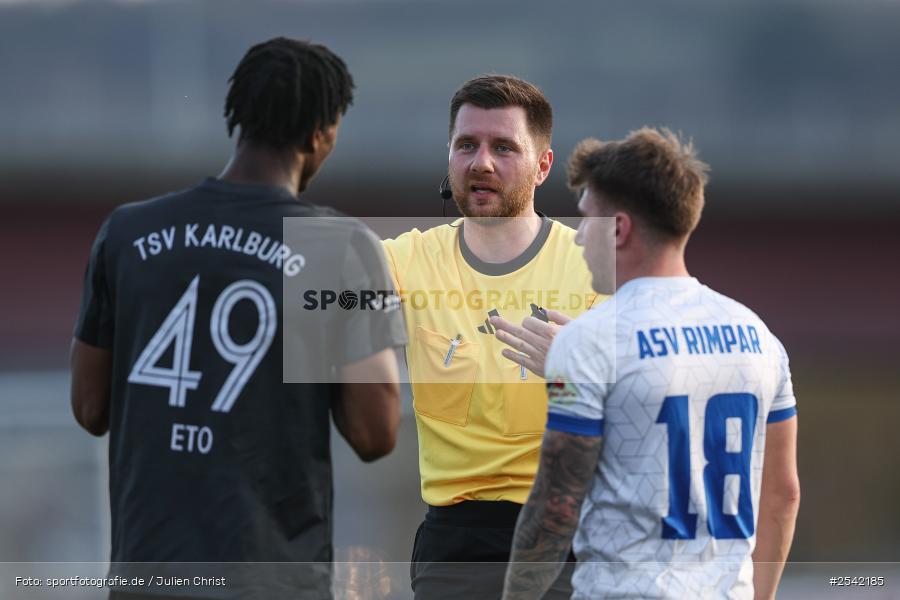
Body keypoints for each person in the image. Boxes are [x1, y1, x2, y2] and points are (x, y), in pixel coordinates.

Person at [70, 37, 406, 600]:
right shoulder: (339, 247)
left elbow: (88, 408)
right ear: (321, 133)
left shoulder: (127, 231)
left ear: (238, 118)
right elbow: (376, 432)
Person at [498, 128, 801, 599]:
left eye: (586, 221)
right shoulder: (759, 337)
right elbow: (783, 494)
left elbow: (556, 505)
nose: (578, 238)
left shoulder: (588, 341)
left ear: (618, 229)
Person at [381, 74, 598, 599]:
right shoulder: (404, 261)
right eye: (466, 145)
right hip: (456, 546)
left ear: (543, 166)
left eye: (503, 147)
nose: (481, 162)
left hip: (570, 535)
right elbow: (314, 296)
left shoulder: (597, 267)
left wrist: (580, 372)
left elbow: (647, 413)